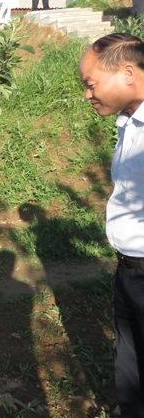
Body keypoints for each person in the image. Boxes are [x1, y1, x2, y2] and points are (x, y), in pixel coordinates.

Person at [79, 33, 144, 417]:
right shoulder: (129, 124)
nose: (88, 95)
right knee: (130, 367)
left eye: (92, 84)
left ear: (128, 73)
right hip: (128, 271)